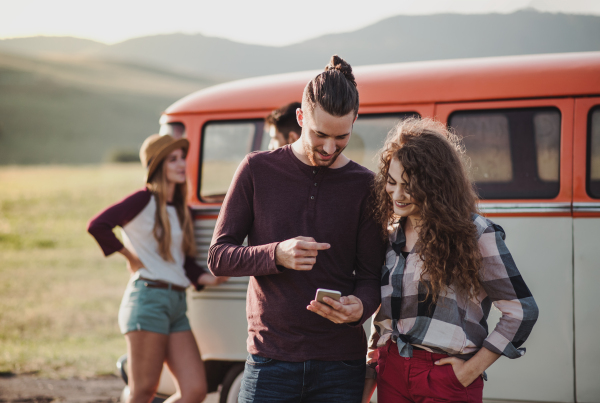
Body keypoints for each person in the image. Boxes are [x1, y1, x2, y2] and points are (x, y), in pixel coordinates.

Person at [208, 55, 386, 403]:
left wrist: (360, 308)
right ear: (301, 118)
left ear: (355, 122)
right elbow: (219, 257)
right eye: (320, 135)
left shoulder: (367, 185)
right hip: (270, 360)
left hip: (341, 366)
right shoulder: (257, 169)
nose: (330, 148)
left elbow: (371, 277)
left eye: (342, 137)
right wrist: (276, 254)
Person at [362, 118, 539, 403]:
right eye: (391, 183)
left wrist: (470, 371)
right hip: (391, 371)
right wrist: (372, 375)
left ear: (435, 185)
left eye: (409, 186)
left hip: (445, 377)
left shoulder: (476, 234)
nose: (396, 195)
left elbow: (521, 310)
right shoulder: (391, 236)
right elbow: (382, 319)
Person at [87, 134, 228, 403]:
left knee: (195, 390)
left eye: (182, 159)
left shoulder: (179, 208)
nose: (181, 164)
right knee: (143, 391)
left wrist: (208, 279)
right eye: (172, 159)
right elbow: (98, 225)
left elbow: (180, 260)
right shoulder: (142, 200)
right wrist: (129, 255)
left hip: (176, 303)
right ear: (157, 166)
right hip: (148, 299)